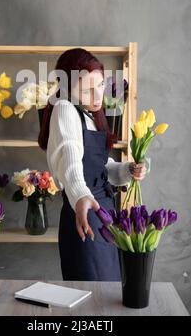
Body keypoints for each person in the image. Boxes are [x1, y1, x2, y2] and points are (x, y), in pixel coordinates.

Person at [38, 48, 147, 281]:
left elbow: (98, 166)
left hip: (104, 211)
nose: (97, 96)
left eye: (100, 86)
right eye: (87, 90)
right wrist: (80, 196)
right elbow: (71, 161)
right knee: (93, 292)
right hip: (86, 211)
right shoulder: (65, 109)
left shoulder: (87, 115)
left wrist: (127, 170)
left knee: (108, 289)